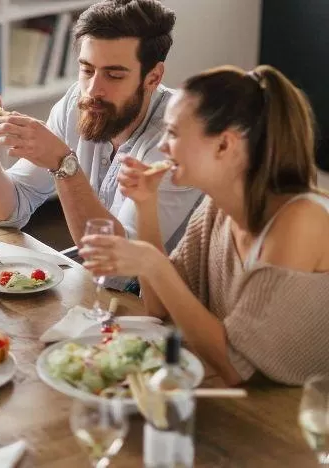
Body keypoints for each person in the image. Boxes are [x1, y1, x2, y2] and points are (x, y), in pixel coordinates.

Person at [79, 65, 329, 386]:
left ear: (224, 145)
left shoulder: (299, 222)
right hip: (242, 397)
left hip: (295, 417)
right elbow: (159, 307)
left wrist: (152, 262)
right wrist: (146, 204)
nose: (163, 146)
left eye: (172, 132)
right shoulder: (217, 207)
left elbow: (235, 367)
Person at [0, 0, 201, 290]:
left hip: (163, 308)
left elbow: (118, 269)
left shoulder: (180, 137)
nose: (93, 90)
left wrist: (64, 165)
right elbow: (8, 211)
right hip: (97, 289)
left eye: (114, 75)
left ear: (153, 77)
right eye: (87, 70)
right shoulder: (77, 102)